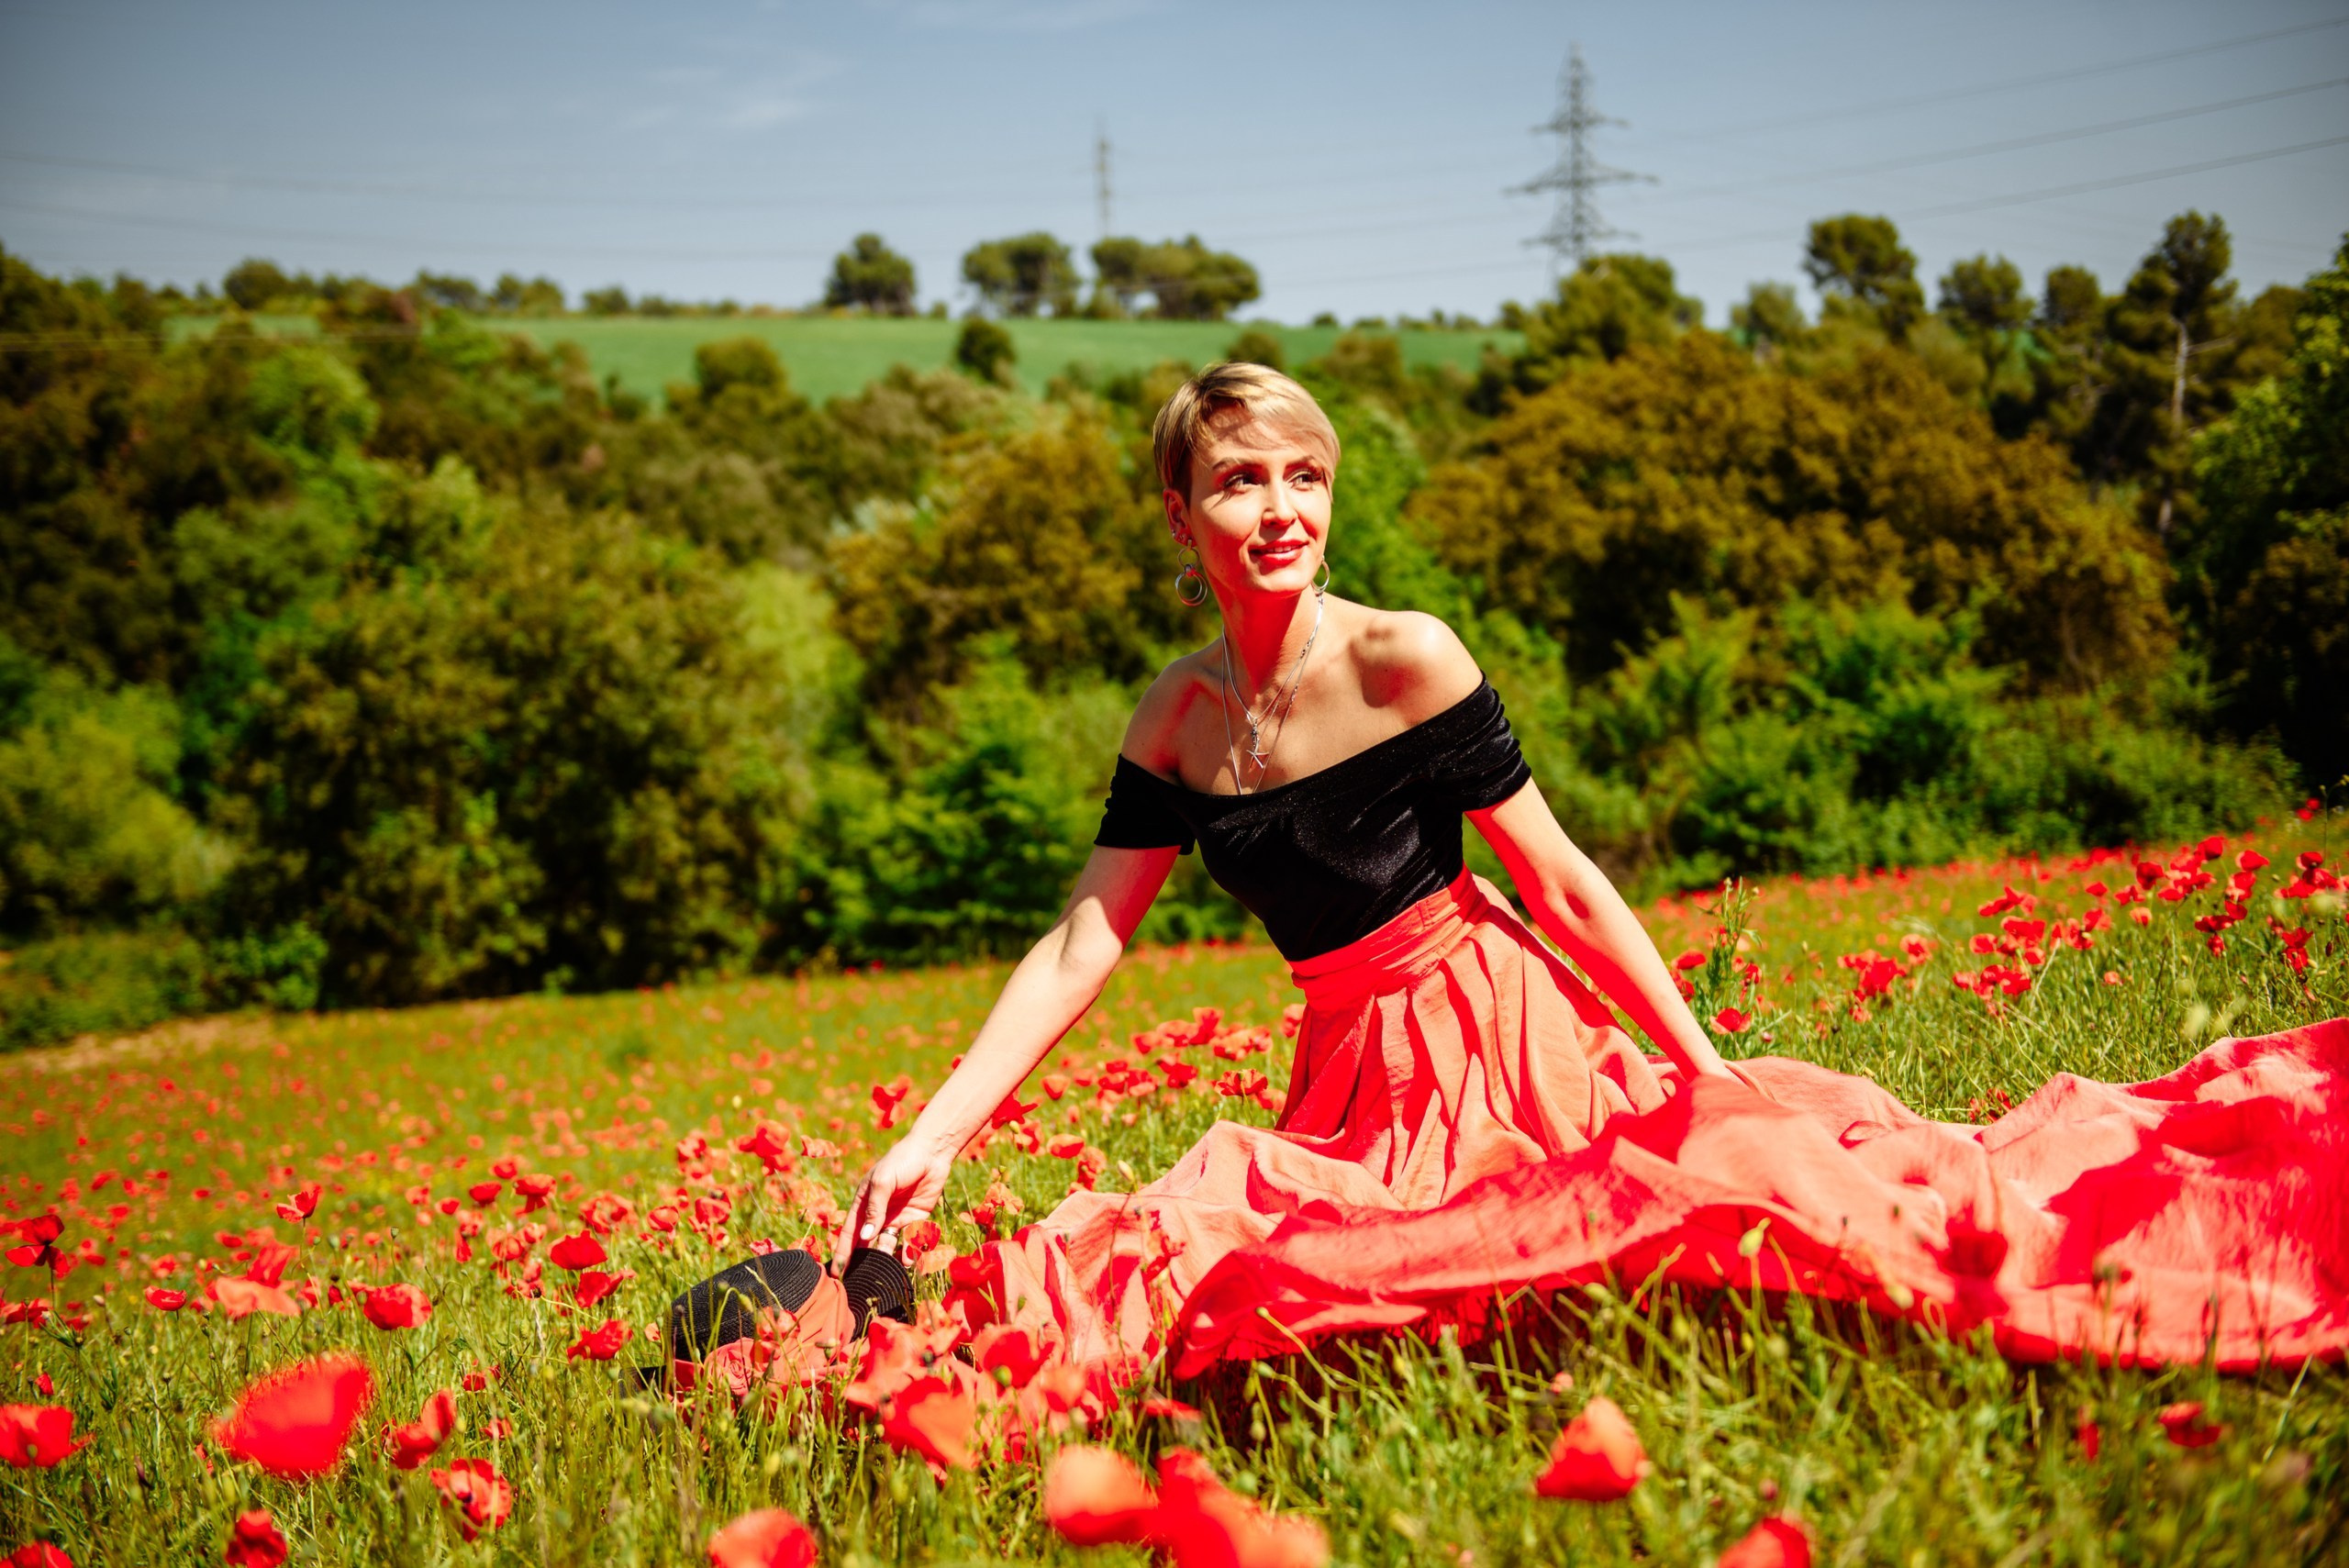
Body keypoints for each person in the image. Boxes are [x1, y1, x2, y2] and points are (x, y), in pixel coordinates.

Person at [671, 361, 1738, 1368]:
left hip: (1486, 1040)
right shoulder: (1177, 719)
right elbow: (1082, 941)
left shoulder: (1404, 657)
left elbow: (1560, 881)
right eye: (1240, 480)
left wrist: (1703, 1075)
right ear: (1181, 516)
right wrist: (934, 1137)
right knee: (1216, 1265)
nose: (1282, 510)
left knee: (1417, 1271)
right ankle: (855, 1330)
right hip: (1344, 1066)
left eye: (1304, 476)